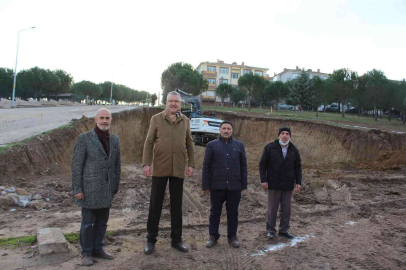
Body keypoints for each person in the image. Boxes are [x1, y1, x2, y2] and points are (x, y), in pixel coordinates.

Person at [142, 91, 195, 255]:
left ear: (181, 104)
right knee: (155, 204)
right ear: (166, 102)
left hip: (178, 167)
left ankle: (176, 240)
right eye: (171, 101)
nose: (173, 104)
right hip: (159, 167)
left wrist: (191, 164)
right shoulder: (156, 118)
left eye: (176, 102)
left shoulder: (185, 120)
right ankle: (151, 240)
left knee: (177, 205)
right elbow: (149, 142)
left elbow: (189, 144)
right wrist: (146, 163)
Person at [71, 108, 121, 266]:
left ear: (110, 120)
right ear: (95, 119)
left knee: (102, 222)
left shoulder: (114, 140)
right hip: (89, 189)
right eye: (102, 118)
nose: (105, 120)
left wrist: (115, 185)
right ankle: (86, 253)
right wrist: (78, 189)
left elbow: (116, 164)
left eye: (107, 118)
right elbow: (76, 166)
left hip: (107, 190)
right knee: (87, 223)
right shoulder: (84, 139)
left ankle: (98, 249)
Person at [202, 121, 247, 248]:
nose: (226, 131)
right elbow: (206, 166)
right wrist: (206, 185)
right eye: (223, 128)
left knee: (233, 213)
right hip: (217, 185)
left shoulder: (239, 146)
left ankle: (232, 237)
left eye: (228, 128)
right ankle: (213, 236)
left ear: (232, 131)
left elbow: (243, 166)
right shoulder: (211, 145)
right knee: (215, 212)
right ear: (219, 130)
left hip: (234, 186)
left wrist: (244, 184)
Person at [259, 127, 302, 240]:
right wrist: (264, 180)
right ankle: (270, 230)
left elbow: (298, 167)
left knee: (286, 209)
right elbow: (262, 165)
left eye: (287, 134)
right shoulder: (270, 148)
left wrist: (298, 182)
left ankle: (284, 230)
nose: (284, 136)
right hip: (273, 184)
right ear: (279, 135)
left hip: (288, 184)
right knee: (272, 208)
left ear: (290, 136)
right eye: (282, 133)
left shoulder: (294, 150)